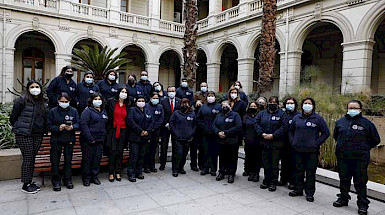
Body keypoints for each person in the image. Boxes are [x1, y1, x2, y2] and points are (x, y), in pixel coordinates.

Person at [333, 100, 380, 215]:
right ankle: (343, 198)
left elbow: (375, 140)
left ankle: (362, 204)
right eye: (350, 107)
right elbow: (336, 136)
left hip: (360, 158)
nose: (352, 110)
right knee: (344, 179)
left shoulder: (367, 124)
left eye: (355, 108)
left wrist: (364, 148)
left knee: (360, 182)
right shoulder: (340, 122)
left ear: (360, 109)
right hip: (343, 157)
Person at [288, 97, 330, 202]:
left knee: (310, 173)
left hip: (312, 151)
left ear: (313, 106)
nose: (307, 105)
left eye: (309, 103)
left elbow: (326, 133)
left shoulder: (318, 119)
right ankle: (298, 189)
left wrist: (316, 143)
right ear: (302, 105)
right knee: (298, 171)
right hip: (297, 150)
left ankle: (310, 193)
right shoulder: (297, 118)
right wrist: (293, 141)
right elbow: (290, 131)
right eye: (305, 103)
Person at [10, 80, 47, 194]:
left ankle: (29, 181)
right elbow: (13, 117)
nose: (35, 88)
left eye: (37, 86)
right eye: (32, 87)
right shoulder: (21, 100)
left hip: (38, 134)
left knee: (31, 158)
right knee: (28, 158)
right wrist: (19, 128)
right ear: (28, 89)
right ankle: (26, 184)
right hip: (24, 134)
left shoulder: (43, 102)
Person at [48, 93, 79, 191]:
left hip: (69, 139)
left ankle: (68, 179)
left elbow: (78, 123)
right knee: (55, 161)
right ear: (58, 101)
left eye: (66, 102)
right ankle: (56, 180)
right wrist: (58, 128)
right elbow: (48, 126)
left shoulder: (73, 111)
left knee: (68, 160)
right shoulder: (53, 111)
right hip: (56, 139)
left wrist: (73, 127)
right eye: (62, 101)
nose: (64, 103)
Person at [256, 96, 287, 192]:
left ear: (277, 104)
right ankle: (266, 180)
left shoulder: (282, 114)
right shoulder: (262, 113)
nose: (272, 103)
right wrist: (262, 133)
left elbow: (284, 127)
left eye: (274, 102)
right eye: (270, 102)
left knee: (274, 163)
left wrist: (274, 135)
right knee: (265, 162)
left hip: (276, 143)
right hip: (264, 142)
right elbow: (256, 124)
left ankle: (273, 182)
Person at [80, 93, 108, 186]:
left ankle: (94, 176)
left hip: (100, 140)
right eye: (95, 99)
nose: (98, 101)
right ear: (91, 100)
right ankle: (86, 178)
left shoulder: (103, 111)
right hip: (88, 140)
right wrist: (90, 138)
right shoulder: (87, 111)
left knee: (97, 159)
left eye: (99, 99)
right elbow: (84, 125)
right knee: (87, 159)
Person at [213, 101, 242, 183]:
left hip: (232, 141)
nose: (224, 107)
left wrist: (226, 132)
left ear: (230, 106)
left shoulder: (235, 115)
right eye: (223, 106)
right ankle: (221, 172)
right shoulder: (219, 115)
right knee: (222, 157)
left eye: (226, 106)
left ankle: (231, 174)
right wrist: (218, 132)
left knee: (232, 158)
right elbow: (214, 125)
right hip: (221, 141)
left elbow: (238, 126)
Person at [105, 87, 130, 182]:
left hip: (123, 130)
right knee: (112, 151)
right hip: (113, 130)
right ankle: (111, 172)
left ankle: (118, 171)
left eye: (125, 92)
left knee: (120, 152)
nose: (123, 93)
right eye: (122, 92)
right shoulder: (111, 102)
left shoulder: (127, 105)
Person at [127, 96, 153, 182]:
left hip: (145, 137)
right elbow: (131, 121)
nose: (141, 102)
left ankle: (139, 172)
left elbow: (151, 122)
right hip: (135, 137)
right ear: (136, 101)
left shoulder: (147, 110)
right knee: (134, 155)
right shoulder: (132, 110)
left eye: (143, 101)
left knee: (142, 155)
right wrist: (140, 131)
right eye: (139, 100)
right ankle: (131, 173)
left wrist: (147, 131)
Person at [170, 98, 196, 177]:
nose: (185, 105)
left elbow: (194, 125)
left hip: (187, 138)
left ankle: (181, 168)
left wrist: (191, 134)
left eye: (186, 103)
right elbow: (172, 123)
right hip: (178, 138)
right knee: (178, 153)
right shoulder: (176, 113)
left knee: (184, 154)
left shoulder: (192, 114)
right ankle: (175, 169)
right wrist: (175, 133)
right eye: (183, 103)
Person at [197, 91, 221, 176]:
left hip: (215, 134)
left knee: (214, 152)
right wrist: (203, 127)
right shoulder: (203, 107)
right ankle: (205, 168)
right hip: (205, 133)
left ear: (215, 97)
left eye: (212, 96)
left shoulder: (219, 107)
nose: (210, 97)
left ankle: (213, 169)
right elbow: (198, 118)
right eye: (209, 96)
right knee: (205, 151)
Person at [279, 97, 300, 189]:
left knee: (293, 163)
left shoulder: (298, 116)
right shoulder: (283, 115)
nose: (289, 105)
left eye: (291, 103)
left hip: (294, 143)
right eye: (288, 103)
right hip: (283, 142)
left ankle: (293, 181)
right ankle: (283, 179)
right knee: (284, 162)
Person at [159, 86, 181, 170]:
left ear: (175, 92)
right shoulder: (163, 101)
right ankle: (162, 163)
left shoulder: (179, 101)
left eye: (173, 91)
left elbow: (180, 113)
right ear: (167, 92)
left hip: (176, 127)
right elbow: (162, 114)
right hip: (165, 126)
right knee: (164, 146)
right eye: (169, 91)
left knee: (175, 146)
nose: (171, 92)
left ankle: (175, 165)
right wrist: (166, 123)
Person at [144, 92, 164, 173]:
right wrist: (149, 128)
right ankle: (145, 166)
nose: (155, 100)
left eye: (157, 98)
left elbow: (161, 119)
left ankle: (152, 165)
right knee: (146, 149)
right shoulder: (146, 106)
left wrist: (154, 128)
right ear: (150, 98)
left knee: (153, 149)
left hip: (156, 131)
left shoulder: (160, 107)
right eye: (154, 98)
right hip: (147, 131)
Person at [243, 102, 262, 182]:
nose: (253, 107)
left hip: (258, 140)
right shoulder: (246, 116)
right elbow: (243, 127)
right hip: (248, 140)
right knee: (249, 157)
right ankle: (250, 172)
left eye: (255, 106)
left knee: (257, 158)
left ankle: (256, 173)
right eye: (251, 106)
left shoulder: (260, 115)